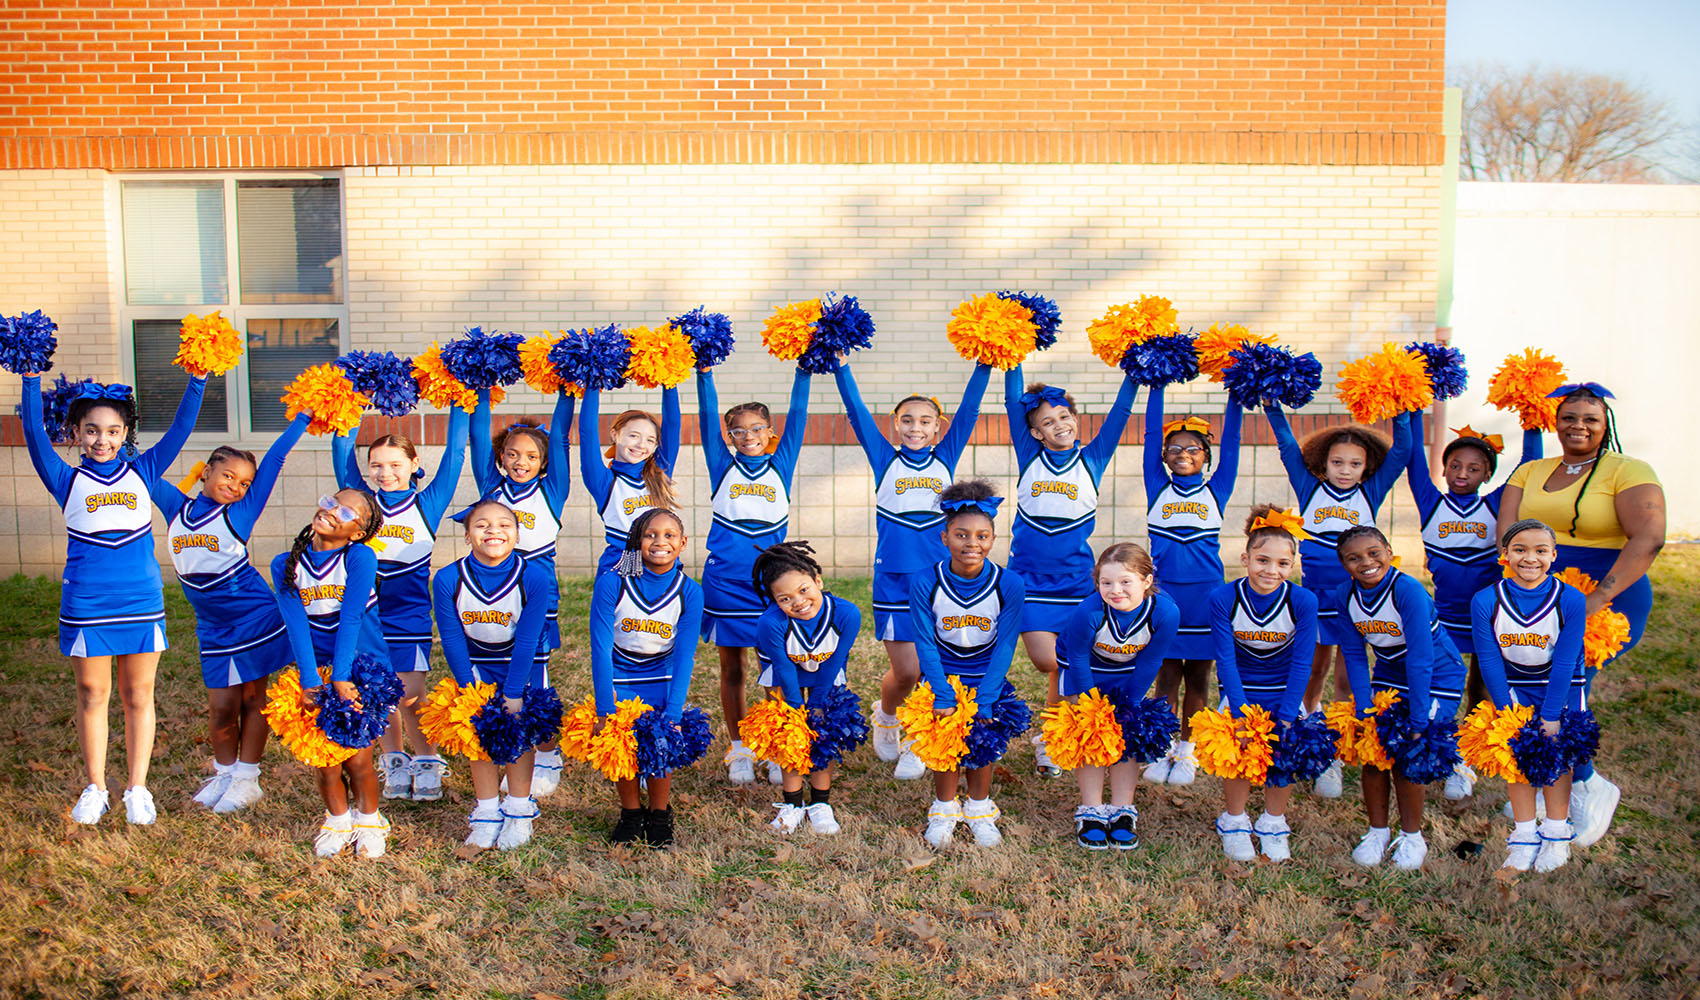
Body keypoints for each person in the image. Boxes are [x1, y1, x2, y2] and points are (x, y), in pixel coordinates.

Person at [20, 372, 207, 824]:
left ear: (126, 434)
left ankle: (137, 789)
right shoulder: (64, 477)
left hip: (140, 601)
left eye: (112, 431)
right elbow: (31, 432)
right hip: (86, 603)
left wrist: (198, 378)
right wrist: (29, 381)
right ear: (76, 433)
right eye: (91, 430)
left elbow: (181, 427)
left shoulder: (143, 469)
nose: (102, 440)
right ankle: (96, 787)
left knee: (139, 695)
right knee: (91, 693)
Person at [1498, 383, 1665, 849]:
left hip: (1605, 593)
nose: (1579, 425)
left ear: (1606, 422)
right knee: (1531, 683)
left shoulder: (1628, 469)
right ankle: (1552, 776)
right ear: (1556, 421)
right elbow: (1506, 534)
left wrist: (1597, 599)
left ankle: (1590, 785)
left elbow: (1649, 537)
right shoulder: (1532, 470)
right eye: (1569, 416)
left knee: (1567, 684)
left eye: (1591, 418)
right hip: (1536, 587)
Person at [835, 360, 991, 780]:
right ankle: (886, 715)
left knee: (932, 668)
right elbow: (856, 411)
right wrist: (842, 365)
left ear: (938, 428)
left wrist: (986, 362)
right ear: (896, 426)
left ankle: (917, 740)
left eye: (925, 421)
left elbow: (971, 410)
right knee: (905, 672)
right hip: (895, 581)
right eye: (907, 420)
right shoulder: (885, 459)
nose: (916, 427)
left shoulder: (947, 457)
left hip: (941, 581)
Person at [158, 412, 310, 814]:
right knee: (221, 704)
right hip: (212, 626)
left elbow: (275, 459)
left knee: (252, 698)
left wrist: (304, 417)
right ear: (207, 471)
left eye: (244, 482)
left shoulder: (240, 513)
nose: (236, 487)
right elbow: (145, 472)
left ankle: (247, 778)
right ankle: (224, 772)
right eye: (227, 476)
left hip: (253, 618)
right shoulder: (176, 506)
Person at [1264, 403, 1410, 798]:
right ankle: (1309, 734)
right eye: (1337, 462)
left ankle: (1336, 751)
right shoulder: (1310, 488)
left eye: (1354, 464)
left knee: (1347, 677)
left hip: (1356, 602)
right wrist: (1271, 407)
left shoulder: (1370, 492)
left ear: (1366, 468)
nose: (1345, 470)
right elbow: (1287, 448)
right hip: (1313, 601)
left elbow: (1402, 452)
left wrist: (1402, 408)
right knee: (1312, 672)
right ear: (1323, 463)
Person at [1399, 409, 1540, 800]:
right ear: (1442, 469)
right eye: (1455, 465)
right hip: (1442, 617)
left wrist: (1532, 418)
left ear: (1487, 476)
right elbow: (1412, 458)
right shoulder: (1429, 501)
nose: (1463, 472)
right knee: (1438, 689)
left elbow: (1527, 468)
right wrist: (1409, 406)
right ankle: (1435, 749)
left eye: (1475, 468)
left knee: (1483, 691)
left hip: (1487, 617)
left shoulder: (1496, 505)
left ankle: (1465, 762)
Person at [1004, 367, 1138, 777]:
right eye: (1047, 422)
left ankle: (1052, 735)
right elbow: (1013, 404)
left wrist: (1134, 373)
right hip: (1030, 581)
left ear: (1075, 420)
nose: (1058, 425)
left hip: (1077, 583)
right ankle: (1054, 731)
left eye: (1064, 416)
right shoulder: (1030, 457)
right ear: (1037, 433)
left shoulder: (1092, 459)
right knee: (1049, 661)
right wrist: (1011, 353)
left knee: (1066, 665)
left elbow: (1120, 413)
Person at [335, 403, 471, 802]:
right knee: (377, 692)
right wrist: (348, 403)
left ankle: (428, 759)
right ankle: (393, 758)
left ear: (414, 464)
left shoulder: (426, 504)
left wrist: (459, 401)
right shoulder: (361, 502)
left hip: (409, 615)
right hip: (367, 617)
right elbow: (342, 451)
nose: (385, 473)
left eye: (395, 464)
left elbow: (455, 454)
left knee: (410, 694)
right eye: (376, 465)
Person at [697, 365, 814, 786]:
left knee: (774, 667)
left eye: (757, 429)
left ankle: (774, 745)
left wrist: (804, 372)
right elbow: (707, 417)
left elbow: (799, 415)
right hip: (725, 582)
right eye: (739, 431)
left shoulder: (780, 464)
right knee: (733, 669)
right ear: (729, 437)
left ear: (770, 433)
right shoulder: (721, 466)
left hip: (770, 585)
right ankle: (740, 746)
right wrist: (704, 373)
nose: (748, 436)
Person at [1333, 526, 1466, 872]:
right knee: (1373, 749)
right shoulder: (1343, 596)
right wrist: (1364, 709)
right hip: (1391, 675)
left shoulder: (1408, 591)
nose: (1366, 562)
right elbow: (1354, 653)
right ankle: (1377, 831)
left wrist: (1419, 720)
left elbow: (1421, 658)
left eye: (1374, 552)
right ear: (1344, 564)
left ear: (1389, 551)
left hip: (1437, 676)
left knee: (1408, 750)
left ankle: (1412, 836)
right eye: (1354, 557)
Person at [270, 488, 393, 858]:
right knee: (325, 759)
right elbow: (296, 627)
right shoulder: (284, 564)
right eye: (330, 502)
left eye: (345, 512)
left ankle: (370, 819)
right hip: (317, 671)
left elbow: (351, 617)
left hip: (363, 669)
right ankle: (338, 819)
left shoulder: (359, 557)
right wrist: (311, 681)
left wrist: (341, 677)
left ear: (357, 532)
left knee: (358, 757)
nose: (331, 511)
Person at [469, 386, 575, 796]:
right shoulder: (490, 487)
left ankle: (547, 751)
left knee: (536, 674)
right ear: (501, 458)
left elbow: (562, 435)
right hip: (491, 586)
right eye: (513, 454)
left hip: (536, 590)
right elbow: (479, 435)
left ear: (544, 462)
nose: (521, 462)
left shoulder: (552, 490)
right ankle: (502, 737)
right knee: (494, 664)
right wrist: (480, 389)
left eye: (531, 456)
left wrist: (568, 390)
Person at [432, 499, 553, 851]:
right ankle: (486, 813)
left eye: (504, 524)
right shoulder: (447, 578)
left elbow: (529, 637)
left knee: (519, 735)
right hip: (474, 663)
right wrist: (470, 690)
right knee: (477, 736)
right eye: (482, 525)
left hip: (522, 664)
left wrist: (514, 692)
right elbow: (452, 636)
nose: (493, 531)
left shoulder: (533, 576)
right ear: (468, 535)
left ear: (517, 534)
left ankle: (518, 809)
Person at [911, 480, 1026, 849]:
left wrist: (988, 696)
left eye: (982, 535)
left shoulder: (1009, 583)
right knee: (943, 743)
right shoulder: (925, 581)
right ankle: (944, 808)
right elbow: (925, 642)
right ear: (944, 537)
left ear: (993, 539)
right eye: (961, 534)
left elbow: (1006, 644)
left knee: (983, 742)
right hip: (941, 675)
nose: (971, 543)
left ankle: (979, 808)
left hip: (986, 676)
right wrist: (942, 693)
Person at [1470, 519, 1587, 873]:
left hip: (1562, 685)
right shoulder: (1486, 599)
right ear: (1505, 554)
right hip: (1513, 686)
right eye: (1520, 550)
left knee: (1557, 758)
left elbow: (1566, 660)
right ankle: (1523, 836)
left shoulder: (1571, 598)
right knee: (1515, 758)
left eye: (1540, 550)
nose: (1530, 558)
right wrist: (1508, 714)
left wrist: (1551, 715)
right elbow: (1488, 658)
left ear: (1554, 554)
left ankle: (1555, 833)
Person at [1143, 388, 1243, 787]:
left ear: (1206, 457)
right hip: (1165, 597)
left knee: (1199, 677)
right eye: (1175, 448)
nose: (1183, 453)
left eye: (1194, 448)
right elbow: (1150, 433)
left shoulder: (1216, 490)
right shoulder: (1157, 486)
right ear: (1164, 457)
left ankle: (1188, 750)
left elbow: (1233, 443)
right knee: (1165, 675)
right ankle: (1162, 743)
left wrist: (1237, 395)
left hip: (1205, 598)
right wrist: (1156, 387)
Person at [1206, 507, 1318, 862]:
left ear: (1294, 564)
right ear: (1246, 558)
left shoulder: (1302, 600)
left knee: (1281, 753)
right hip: (1241, 690)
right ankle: (1235, 820)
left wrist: (1286, 716)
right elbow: (1225, 660)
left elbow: (1303, 662)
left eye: (1283, 563)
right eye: (1263, 560)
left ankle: (1273, 821)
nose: (1271, 571)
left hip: (1285, 690)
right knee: (1238, 753)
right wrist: (1239, 713)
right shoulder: (1224, 598)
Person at [588, 508, 703, 847]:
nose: (660, 541)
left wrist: (674, 713)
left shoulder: (689, 591)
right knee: (622, 745)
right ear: (638, 540)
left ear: (682, 544)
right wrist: (606, 709)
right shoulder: (612, 582)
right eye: (651, 534)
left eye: (669, 535)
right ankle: (630, 813)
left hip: (661, 673)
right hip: (620, 673)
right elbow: (600, 647)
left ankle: (660, 814)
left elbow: (685, 655)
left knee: (659, 743)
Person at [1060, 543, 1178, 851]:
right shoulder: (1088, 611)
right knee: (1090, 736)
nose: (1116, 590)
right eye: (1106, 582)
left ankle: (1123, 810)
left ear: (1147, 581)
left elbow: (1151, 661)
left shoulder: (1165, 612)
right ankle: (1091, 811)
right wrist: (1091, 708)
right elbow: (1077, 658)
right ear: (1096, 582)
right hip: (1085, 671)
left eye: (1126, 582)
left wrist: (1132, 704)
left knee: (1128, 734)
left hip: (1129, 672)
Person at [750, 540, 862, 834]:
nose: (798, 602)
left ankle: (821, 804)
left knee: (823, 733)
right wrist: (797, 711)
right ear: (774, 601)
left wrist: (817, 706)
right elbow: (785, 669)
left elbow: (836, 661)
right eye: (784, 599)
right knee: (791, 735)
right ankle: (793, 804)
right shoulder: (770, 624)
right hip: (784, 675)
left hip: (826, 673)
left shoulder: (847, 614)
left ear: (818, 580)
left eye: (803, 590)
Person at [578, 384, 681, 574]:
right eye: (633, 436)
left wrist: (670, 381)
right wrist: (593, 381)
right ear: (615, 435)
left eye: (650, 440)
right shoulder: (603, 482)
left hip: (662, 565)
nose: (641, 444)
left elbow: (673, 425)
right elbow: (587, 432)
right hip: (619, 567)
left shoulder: (660, 473)